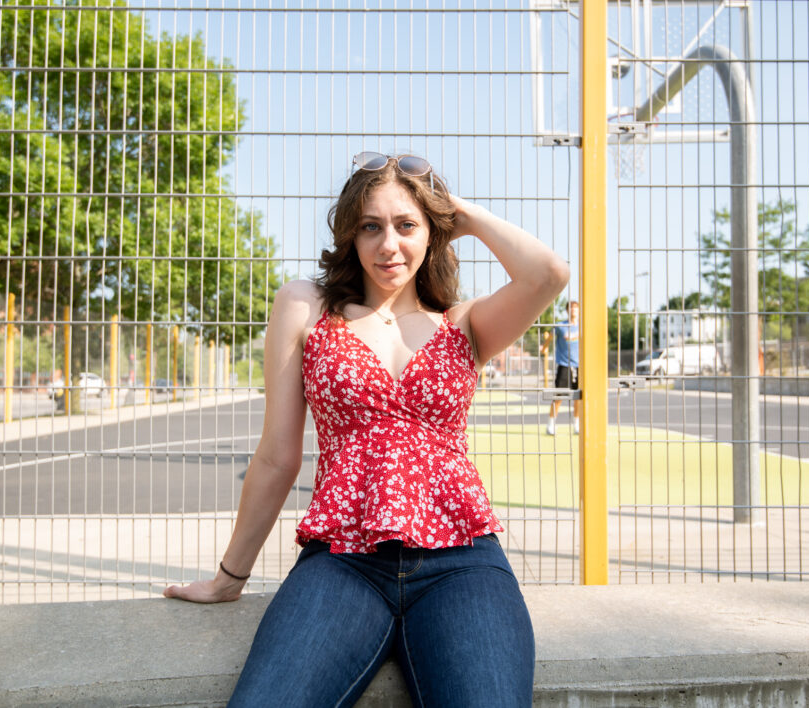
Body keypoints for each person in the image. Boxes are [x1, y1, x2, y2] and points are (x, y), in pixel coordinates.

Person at [164, 151, 569, 707]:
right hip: (343, 562)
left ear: (432, 232)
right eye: (370, 226)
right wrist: (230, 576)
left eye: (407, 225)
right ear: (351, 236)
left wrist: (461, 214)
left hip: (462, 562)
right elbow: (277, 457)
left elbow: (548, 274)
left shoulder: (464, 323)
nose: (388, 244)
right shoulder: (307, 306)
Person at [540, 300, 580, 435]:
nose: (573, 310)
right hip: (564, 365)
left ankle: (577, 425)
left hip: (579, 366)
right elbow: (549, 338)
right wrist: (544, 348)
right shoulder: (561, 326)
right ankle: (551, 424)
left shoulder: (582, 326)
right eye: (571, 308)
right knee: (559, 397)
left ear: (578, 310)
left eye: (576, 308)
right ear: (567, 310)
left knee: (578, 398)